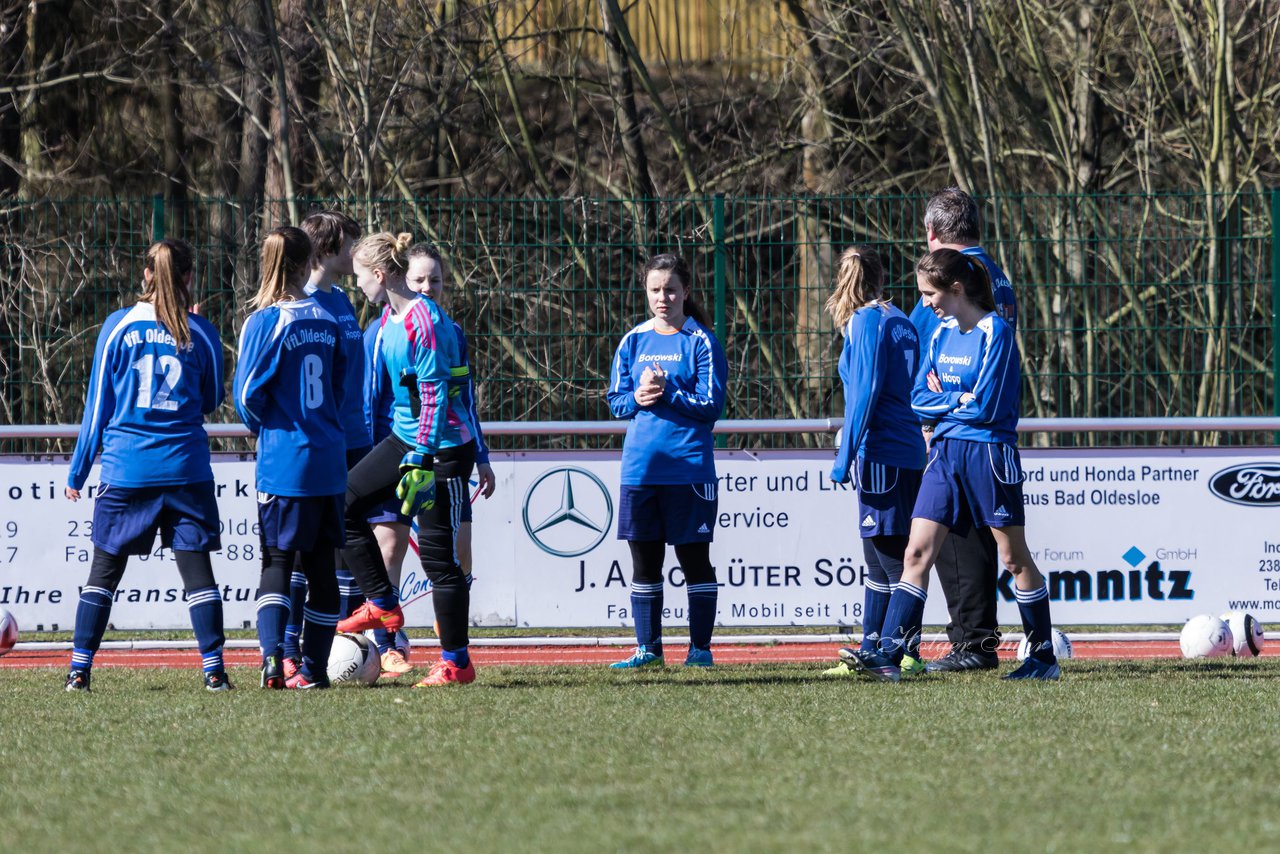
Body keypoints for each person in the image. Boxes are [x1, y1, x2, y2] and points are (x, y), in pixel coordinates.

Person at [846, 249, 1059, 681]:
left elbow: (986, 407)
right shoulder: (940, 333)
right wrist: (954, 401)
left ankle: (1042, 657)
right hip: (943, 455)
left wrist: (948, 403)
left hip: (988, 454)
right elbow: (916, 399)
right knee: (916, 552)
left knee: (1013, 558)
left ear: (956, 289)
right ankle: (887, 654)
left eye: (929, 293)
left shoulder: (994, 332)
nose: (924, 303)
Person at [63, 239, 231, 692]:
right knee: (198, 575)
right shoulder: (202, 331)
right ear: (189, 278)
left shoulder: (119, 325)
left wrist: (78, 471)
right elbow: (213, 397)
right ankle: (214, 671)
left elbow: (97, 405)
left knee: (104, 572)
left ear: (146, 276)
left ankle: (79, 671)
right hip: (186, 470)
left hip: (127, 469)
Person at [335, 232, 477, 688]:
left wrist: (421, 457)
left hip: (443, 449)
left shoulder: (425, 320)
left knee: (439, 560)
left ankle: (457, 663)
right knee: (344, 504)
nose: (356, 286)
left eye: (359, 277)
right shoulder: (387, 324)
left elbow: (435, 395)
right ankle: (382, 603)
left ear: (379, 275)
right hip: (406, 440)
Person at [908, 187, 1017, 673]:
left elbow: (923, 354)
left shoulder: (946, 278)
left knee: (950, 539)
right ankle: (977, 641)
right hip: (988, 424)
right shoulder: (997, 276)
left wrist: (936, 413)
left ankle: (967, 642)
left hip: (953, 431)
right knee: (979, 537)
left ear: (932, 235)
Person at [234, 226, 348, 689]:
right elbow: (339, 389)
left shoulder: (266, 320)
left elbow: (245, 397)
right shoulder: (327, 317)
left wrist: (273, 429)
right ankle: (315, 672)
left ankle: (271, 660)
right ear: (306, 264)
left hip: (285, 461)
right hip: (328, 458)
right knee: (321, 568)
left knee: (278, 562)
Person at [606, 253, 728, 668]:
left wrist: (668, 390)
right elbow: (616, 401)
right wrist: (636, 398)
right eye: (656, 289)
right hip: (640, 470)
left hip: (688, 470)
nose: (664, 297)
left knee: (695, 561)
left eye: (671, 289)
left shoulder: (701, 340)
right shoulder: (633, 340)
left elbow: (712, 405)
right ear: (646, 291)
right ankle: (648, 650)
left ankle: (700, 650)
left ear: (686, 292)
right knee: (644, 564)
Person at [817, 247, 926, 678]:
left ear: (843, 282)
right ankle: (884, 650)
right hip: (909, 450)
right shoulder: (900, 319)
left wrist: (845, 458)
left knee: (888, 561)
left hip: (879, 452)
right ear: (882, 277)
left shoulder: (865, 321)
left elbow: (864, 392)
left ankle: (892, 654)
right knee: (890, 558)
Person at [276, 210, 366, 679]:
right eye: (352, 244)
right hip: (318, 446)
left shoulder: (343, 303)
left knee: (342, 548)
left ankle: (342, 643)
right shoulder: (304, 304)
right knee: (300, 554)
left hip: (353, 438)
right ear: (328, 249)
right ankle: (288, 648)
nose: (358, 253)